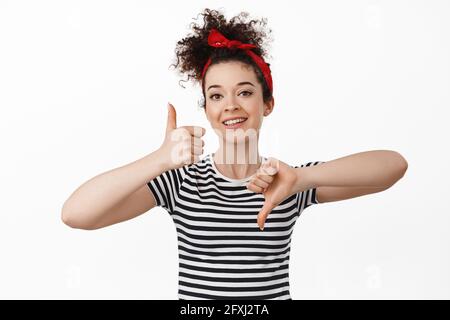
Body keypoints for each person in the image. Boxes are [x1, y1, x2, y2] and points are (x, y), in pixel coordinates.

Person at [62, 8, 408, 300]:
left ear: (267, 104)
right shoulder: (182, 182)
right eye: (216, 96)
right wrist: (159, 160)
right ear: (207, 108)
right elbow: (76, 215)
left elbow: (393, 166)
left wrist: (303, 178)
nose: (230, 106)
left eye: (244, 92)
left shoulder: (285, 181)